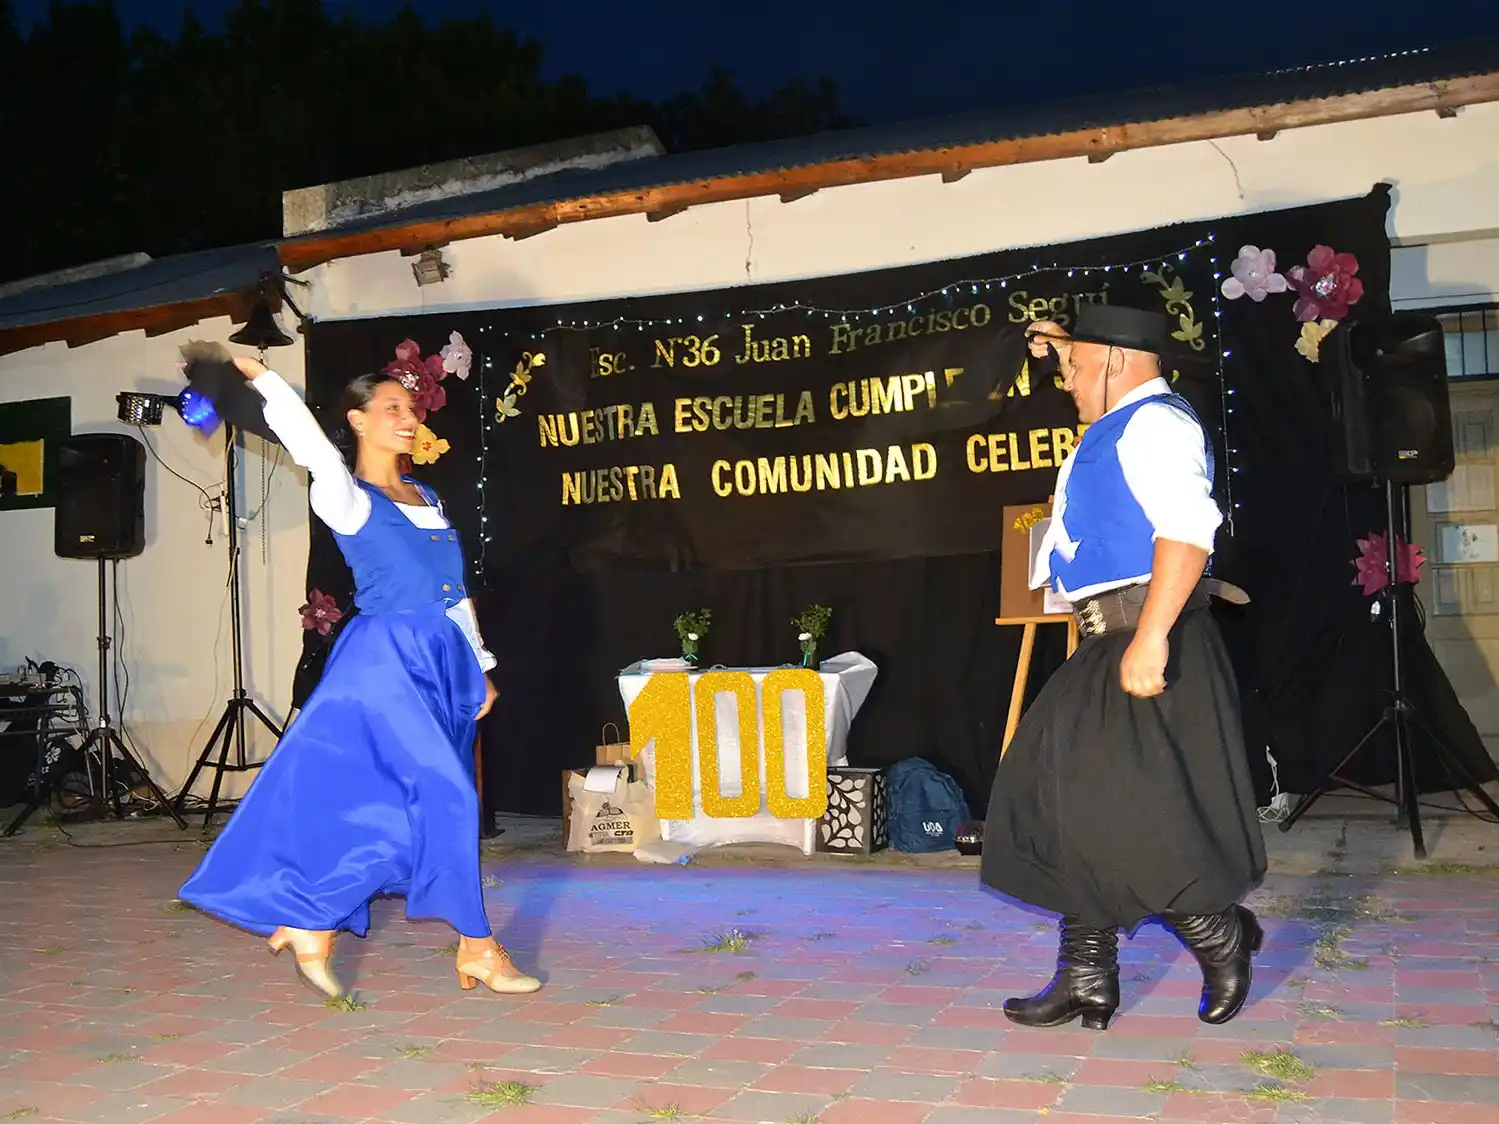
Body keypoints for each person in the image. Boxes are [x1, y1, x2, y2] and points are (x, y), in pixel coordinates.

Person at [179, 355, 540, 1000]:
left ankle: (311, 920)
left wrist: (480, 668)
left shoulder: (427, 497)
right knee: (450, 798)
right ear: (357, 421)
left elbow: (453, 596)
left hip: (441, 663)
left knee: (419, 805)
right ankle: (480, 947)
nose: (407, 419)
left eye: (411, 408)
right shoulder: (345, 497)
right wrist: (264, 379)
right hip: (385, 663)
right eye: (391, 410)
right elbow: (312, 448)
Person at [981, 303, 1266, 1030]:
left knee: (1135, 812)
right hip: (1112, 638)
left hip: (1148, 637)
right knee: (1062, 803)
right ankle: (1086, 971)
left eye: (1075, 368)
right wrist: (1057, 342)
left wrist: (1152, 638)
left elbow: (1185, 530)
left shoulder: (1156, 424)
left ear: (1115, 361)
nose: (1065, 382)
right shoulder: (1114, 424)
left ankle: (1218, 933)